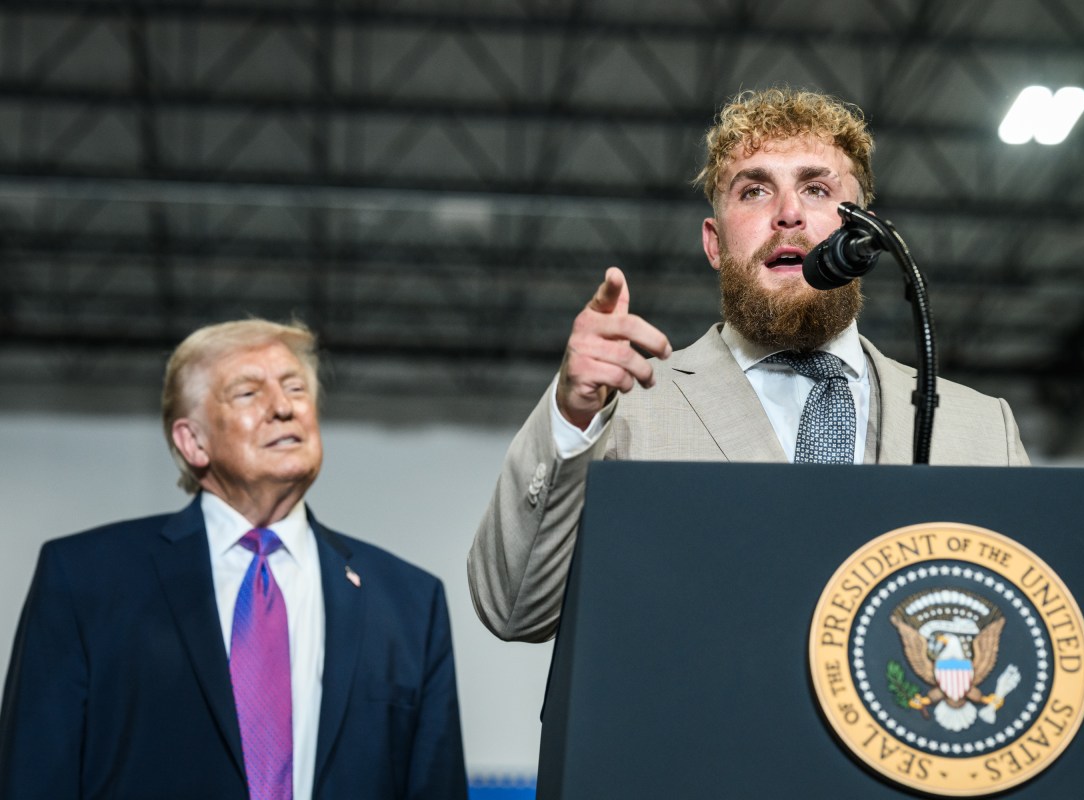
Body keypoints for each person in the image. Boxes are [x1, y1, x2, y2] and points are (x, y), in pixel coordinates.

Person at [468, 87, 1029, 644]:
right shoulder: (629, 407)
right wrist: (571, 417)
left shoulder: (980, 428)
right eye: (755, 191)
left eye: (816, 188)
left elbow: (1025, 629)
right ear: (714, 243)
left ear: (866, 234)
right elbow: (514, 609)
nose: (788, 214)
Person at [0, 320, 468, 800]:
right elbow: (34, 778)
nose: (284, 408)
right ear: (193, 442)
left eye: (295, 388)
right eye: (248, 393)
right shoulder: (85, 581)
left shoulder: (409, 604)